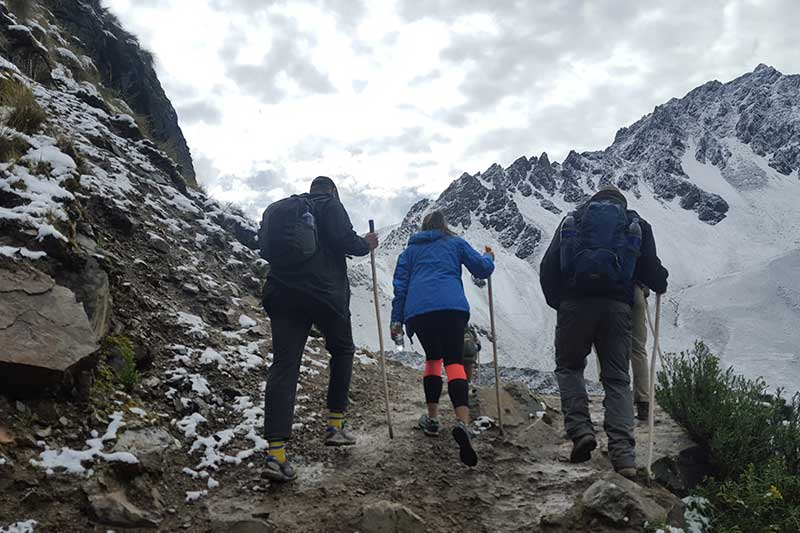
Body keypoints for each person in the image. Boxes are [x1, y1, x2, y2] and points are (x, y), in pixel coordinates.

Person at [539, 185, 668, 479]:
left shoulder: (572, 220)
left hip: (574, 305)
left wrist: (561, 302)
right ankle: (624, 457)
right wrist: (660, 281)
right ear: (621, 204)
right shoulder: (636, 224)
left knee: (569, 368)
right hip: (617, 309)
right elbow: (652, 272)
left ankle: (581, 431)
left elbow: (548, 267)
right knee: (617, 379)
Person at [259, 176, 379, 482]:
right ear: (332, 191)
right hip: (324, 295)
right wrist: (367, 243)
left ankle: (276, 454)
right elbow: (347, 241)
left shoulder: (289, 211)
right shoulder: (331, 205)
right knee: (342, 350)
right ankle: (335, 425)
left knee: (284, 365)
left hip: (281, 293)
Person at [390, 211, 495, 466]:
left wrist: (396, 321)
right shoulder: (455, 243)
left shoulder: (408, 253)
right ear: (443, 226)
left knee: (433, 360)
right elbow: (482, 269)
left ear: (423, 228)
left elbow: (400, 287)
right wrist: (489, 257)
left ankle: (433, 419)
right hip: (451, 309)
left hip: (419, 313)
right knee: (454, 363)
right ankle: (462, 422)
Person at [631, 284, 650, 421]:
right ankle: (643, 401)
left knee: (609, 349)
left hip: (609, 297)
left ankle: (614, 398)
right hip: (635, 293)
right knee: (638, 349)